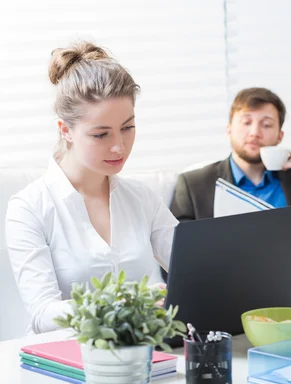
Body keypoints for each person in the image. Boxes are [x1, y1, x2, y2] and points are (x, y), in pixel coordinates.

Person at [5, 42, 178, 334]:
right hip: (65, 360)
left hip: (140, 353)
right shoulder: (29, 208)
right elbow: (42, 314)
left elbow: (196, 268)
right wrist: (129, 302)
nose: (119, 146)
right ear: (66, 130)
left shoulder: (142, 199)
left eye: (128, 127)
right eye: (100, 134)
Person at [168, 87, 291, 297]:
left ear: (280, 136)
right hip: (229, 293)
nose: (255, 132)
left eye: (266, 124)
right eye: (246, 122)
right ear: (229, 129)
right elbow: (174, 257)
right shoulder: (195, 184)